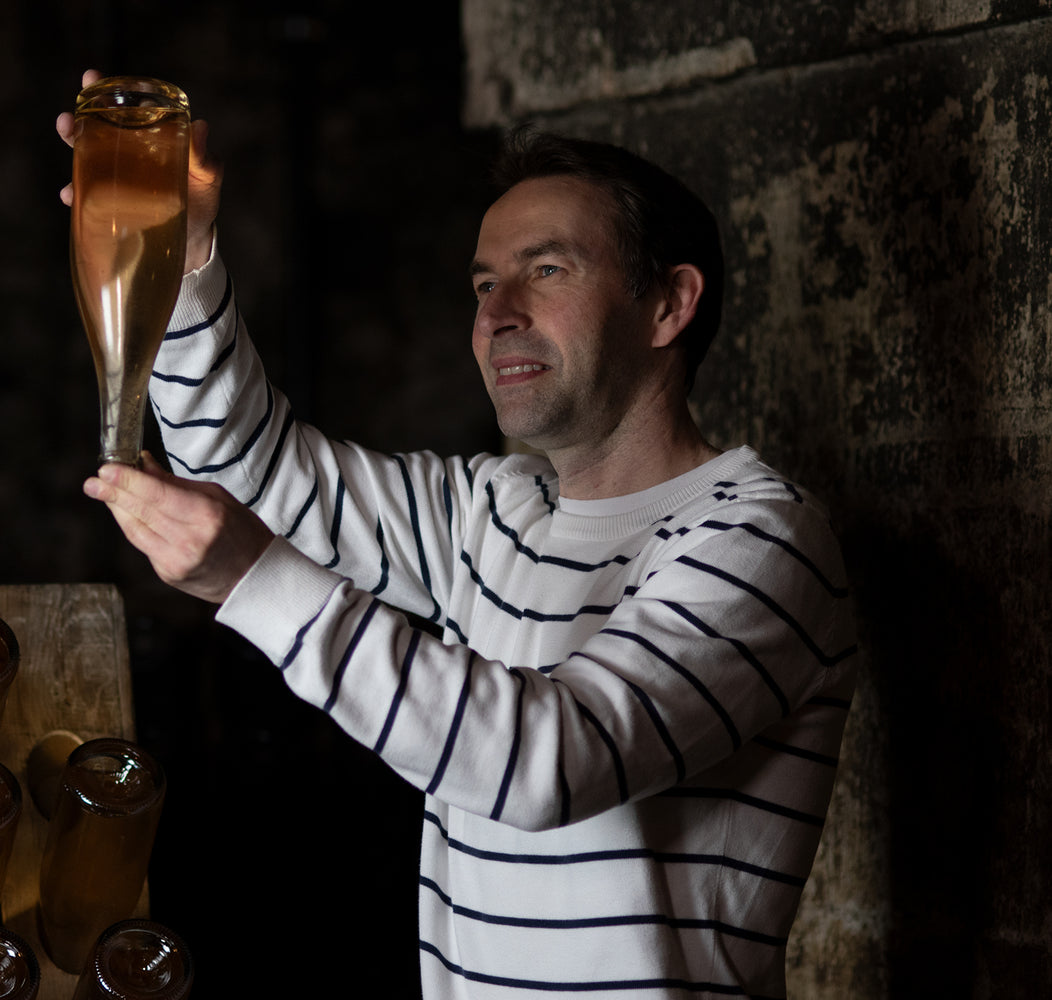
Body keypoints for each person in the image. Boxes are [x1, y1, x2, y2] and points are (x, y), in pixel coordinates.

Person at [66, 79, 857, 998]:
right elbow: (250, 479)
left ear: (669, 306)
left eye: (547, 270)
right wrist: (188, 252)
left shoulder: (759, 537)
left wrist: (254, 578)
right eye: (485, 282)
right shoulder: (493, 509)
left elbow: (547, 765)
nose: (496, 312)